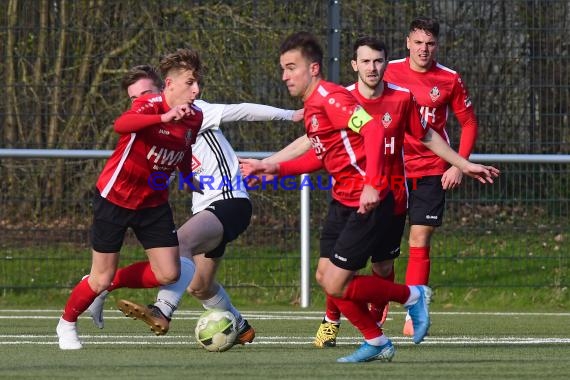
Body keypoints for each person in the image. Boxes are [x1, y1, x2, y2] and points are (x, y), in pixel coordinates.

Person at [241, 31, 453, 363]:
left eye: (291, 67)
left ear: (313, 68)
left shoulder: (331, 98)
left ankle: (412, 295)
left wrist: (371, 183)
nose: (284, 75)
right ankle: (377, 340)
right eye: (283, 68)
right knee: (326, 278)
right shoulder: (313, 107)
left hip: (367, 200)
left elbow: (372, 130)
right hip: (343, 199)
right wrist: (274, 169)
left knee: (340, 282)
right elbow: (320, 156)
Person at [85, 64, 304, 345]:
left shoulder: (195, 111)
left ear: (164, 88)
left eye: (146, 93)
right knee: (199, 286)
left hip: (229, 202)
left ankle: (161, 310)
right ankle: (240, 326)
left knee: (180, 243)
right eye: (133, 99)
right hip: (206, 210)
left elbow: (242, 110)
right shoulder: (151, 125)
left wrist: (290, 114)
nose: (141, 102)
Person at [56, 48, 204, 350]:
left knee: (169, 273)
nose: (196, 90)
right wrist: (163, 116)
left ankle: (105, 285)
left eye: (198, 83)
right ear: (170, 84)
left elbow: (185, 149)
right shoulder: (150, 105)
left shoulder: (195, 117)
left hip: (153, 203)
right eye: (190, 83)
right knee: (98, 277)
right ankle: (67, 323)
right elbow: (120, 125)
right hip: (116, 197)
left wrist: (189, 178)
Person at [383, 16, 481, 336]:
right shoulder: (388, 71)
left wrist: (458, 164)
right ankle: (383, 296)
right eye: (419, 42)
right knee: (381, 244)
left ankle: (414, 310)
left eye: (430, 43)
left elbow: (469, 123)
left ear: (436, 45)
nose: (424, 49)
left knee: (419, 238)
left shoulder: (449, 79)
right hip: (393, 168)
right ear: (407, 42)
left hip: (431, 169)